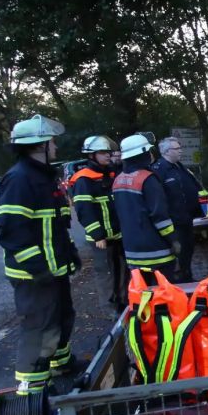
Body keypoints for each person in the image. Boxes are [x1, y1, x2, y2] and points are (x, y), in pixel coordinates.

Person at [0, 114, 79, 396]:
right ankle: (31, 393)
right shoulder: (20, 179)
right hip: (34, 275)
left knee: (62, 318)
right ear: (40, 145)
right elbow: (12, 232)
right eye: (51, 141)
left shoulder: (44, 177)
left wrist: (69, 254)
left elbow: (54, 226)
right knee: (39, 329)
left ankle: (61, 365)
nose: (55, 146)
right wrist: (38, 268)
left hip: (53, 270)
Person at [112, 133, 181, 284]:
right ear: (142, 154)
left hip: (132, 252)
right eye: (148, 151)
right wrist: (173, 239)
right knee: (164, 296)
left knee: (143, 296)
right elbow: (160, 216)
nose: (151, 155)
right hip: (157, 252)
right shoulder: (147, 179)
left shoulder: (118, 180)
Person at [70, 135, 127, 318]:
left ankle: (124, 302)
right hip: (101, 239)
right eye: (102, 153)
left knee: (122, 270)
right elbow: (84, 210)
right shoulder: (83, 179)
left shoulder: (111, 174)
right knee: (105, 274)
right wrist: (97, 235)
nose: (107, 156)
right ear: (91, 155)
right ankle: (110, 308)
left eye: (108, 152)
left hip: (118, 234)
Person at [151, 137, 202, 283]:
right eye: (177, 148)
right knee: (177, 254)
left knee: (188, 250)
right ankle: (178, 283)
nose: (181, 150)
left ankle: (187, 277)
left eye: (180, 148)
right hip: (173, 223)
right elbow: (157, 198)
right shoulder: (159, 170)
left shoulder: (180, 167)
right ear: (167, 151)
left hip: (187, 219)